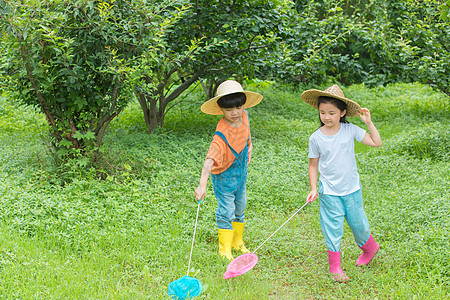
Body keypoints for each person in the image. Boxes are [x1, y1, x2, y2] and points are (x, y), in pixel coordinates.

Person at [301, 84, 382, 282]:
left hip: (352, 189)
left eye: (332, 113)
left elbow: (376, 142)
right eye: (322, 112)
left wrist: (369, 122)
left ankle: (370, 248)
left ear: (343, 112)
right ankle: (335, 267)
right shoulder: (316, 138)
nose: (326, 117)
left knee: (358, 224)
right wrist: (313, 188)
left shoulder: (350, 130)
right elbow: (313, 166)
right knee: (332, 227)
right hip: (329, 191)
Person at [195, 80, 263, 260]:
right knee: (227, 210)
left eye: (238, 107)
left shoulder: (245, 115)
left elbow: (246, 130)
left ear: (244, 105)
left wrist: (249, 145)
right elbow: (208, 162)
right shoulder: (220, 135)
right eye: (228, 110)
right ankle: (224, 248)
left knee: (240, 206)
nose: (235, 113)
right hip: (224, 176)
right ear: (221, 110)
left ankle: (237, 242)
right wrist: (202, 186)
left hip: (241, 174)